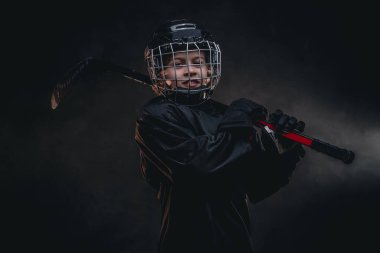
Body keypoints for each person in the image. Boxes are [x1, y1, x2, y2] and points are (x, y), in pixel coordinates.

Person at [135, 19, 305, 253]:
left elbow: (258, 187)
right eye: (178, 64)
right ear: (162, 73)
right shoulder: (156, 116)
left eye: (198, 62)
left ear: (209, 70)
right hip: (185, 245)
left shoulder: (227, 116)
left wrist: (283, 148)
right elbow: (197, 167)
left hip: (236, 244)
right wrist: (238, 125)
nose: (191, 69)